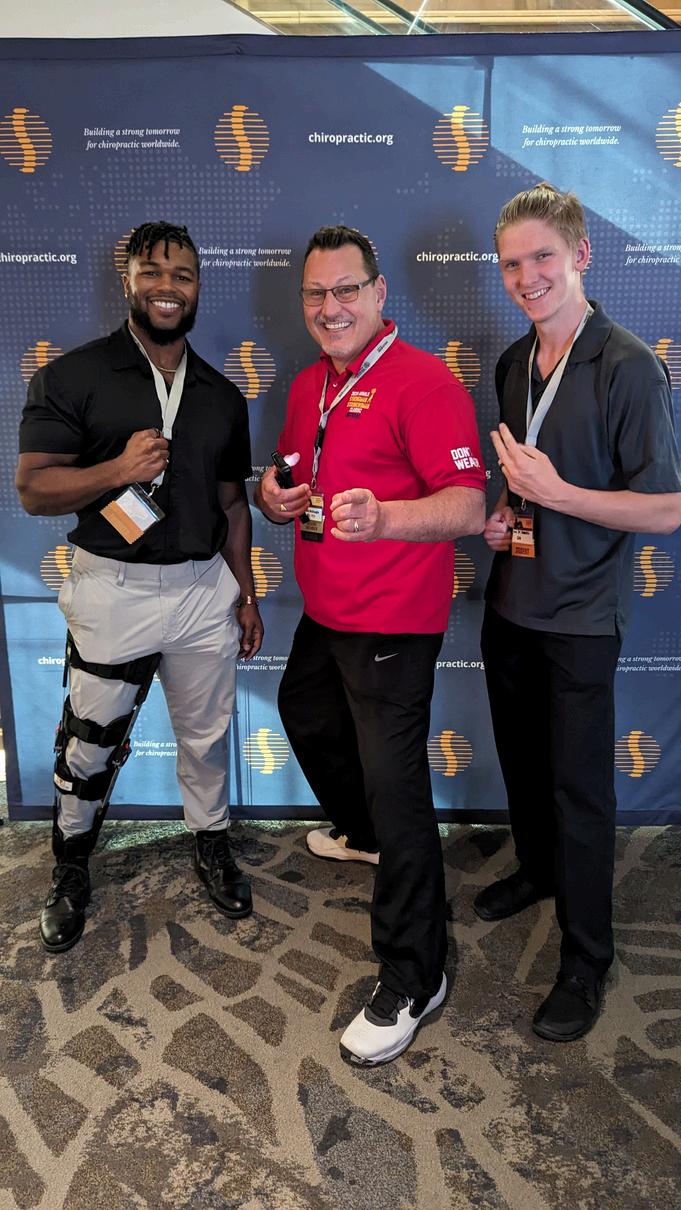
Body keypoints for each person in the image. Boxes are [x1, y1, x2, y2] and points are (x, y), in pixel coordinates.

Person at [255, 225, 486, 1065]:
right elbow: (291, 472)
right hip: (328, 610)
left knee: (397, 790)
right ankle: (363, 836)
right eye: (316, 294)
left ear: (379, 293)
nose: (330, 307)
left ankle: (416, 974)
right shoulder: (308, 384)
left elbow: (467, 504)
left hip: (393, 619)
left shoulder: (423, 382)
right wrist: (273, 496)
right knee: (304, 713)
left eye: (345, 289)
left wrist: (386, 517)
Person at [17, 221, 263, 954]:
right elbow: (33, 489)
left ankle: (211, 841)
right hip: (113, 587)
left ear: (197, 287)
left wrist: (247, 593)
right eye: (152, 272)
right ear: (127, 281)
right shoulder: (72, 377)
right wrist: (118, 472)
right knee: (89, 743)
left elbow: (232, 505)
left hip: (201, 589)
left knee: (207, 737)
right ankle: (70, 865)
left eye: (182, 274)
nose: (167, 287)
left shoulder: (220, 394)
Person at [477, 183, 681, 1041]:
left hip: (581, 618)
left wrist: (560, 493)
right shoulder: (511, 362)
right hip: (510, 601)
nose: (526, 277)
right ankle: (537, 870)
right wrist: (504, 513)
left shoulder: (628, 365)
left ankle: (585, 959)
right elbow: (521, 485)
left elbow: (665, 508)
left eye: (542, 258)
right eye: (511, 264)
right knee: (523, 765)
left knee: (579, 790)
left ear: (580, 256)